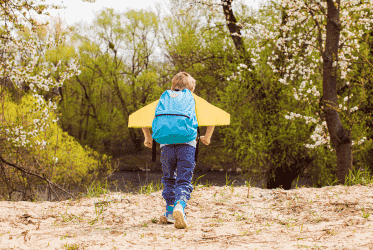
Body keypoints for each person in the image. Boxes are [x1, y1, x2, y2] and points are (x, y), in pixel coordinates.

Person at [141, 71, 215, 229]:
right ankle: (180, 206)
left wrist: (148, 137)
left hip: (166, 145)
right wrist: (207, 137)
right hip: (187, 145)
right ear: (191, 89)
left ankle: (169, 213)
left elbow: (142, 117)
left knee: (168, 178)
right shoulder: (192, 98)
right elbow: (213, 116)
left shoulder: (164, 97)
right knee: (184, 179)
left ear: (172, 86)